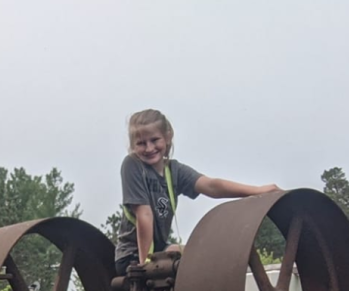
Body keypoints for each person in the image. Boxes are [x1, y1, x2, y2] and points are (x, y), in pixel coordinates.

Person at [114, 108, 280, 276]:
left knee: (203, 256)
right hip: (133, 257)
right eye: (141, 143)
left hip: (161, 250)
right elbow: (144, 215)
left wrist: (257, 191)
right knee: (184, 262)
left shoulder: (174, 171)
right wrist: (144, 266)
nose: (149, 148)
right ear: (133, 146)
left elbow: (211, 186)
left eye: (154, 140)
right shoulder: (132, 165)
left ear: (168, 137)